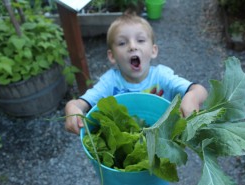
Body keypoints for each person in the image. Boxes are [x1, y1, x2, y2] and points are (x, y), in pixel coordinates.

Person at [65, 13, 208, 134]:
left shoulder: (162, 76)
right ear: (112, 56)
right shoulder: (110, 83)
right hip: (123, 147)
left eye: (140, 40)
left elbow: (200, 90)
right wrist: (72, 107)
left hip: (164, 142)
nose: (133, 46)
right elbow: (80, 104)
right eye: (122, 43)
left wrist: (192, 97)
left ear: (153, 50)